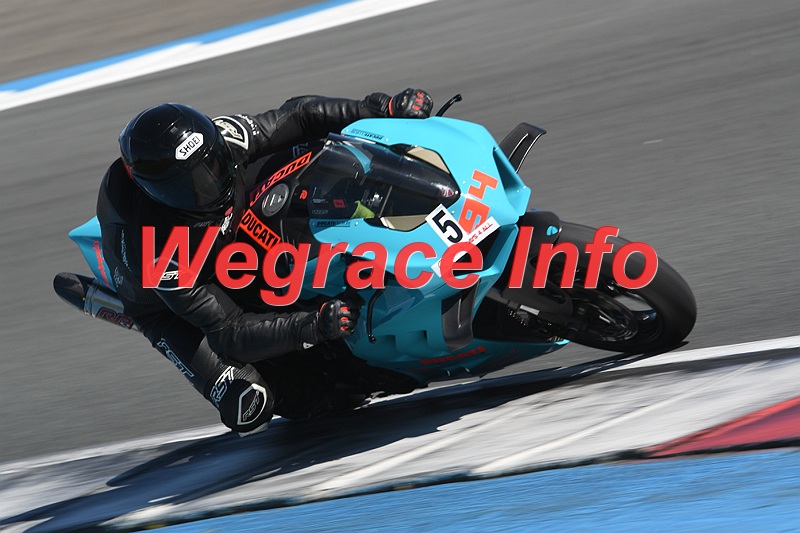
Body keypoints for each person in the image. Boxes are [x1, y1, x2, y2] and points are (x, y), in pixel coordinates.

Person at [96, 89, 434, 434]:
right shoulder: (156, 251)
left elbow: (299, 114)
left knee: (315, 156)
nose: (212, 183)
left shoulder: (222, 140)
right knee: (256, 402)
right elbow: (229, 331)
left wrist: (378, 108)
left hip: (230, 227)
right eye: (191, 186)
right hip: (174, 299)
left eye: (213, 165)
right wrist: (313, 325)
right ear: (158, 194)